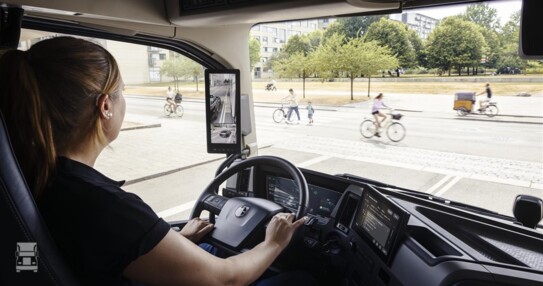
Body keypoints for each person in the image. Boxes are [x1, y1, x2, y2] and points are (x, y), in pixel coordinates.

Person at [0, 37, 308, 286]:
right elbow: (224, 279)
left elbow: (101, 249)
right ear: (105, 106)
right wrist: (275, 243)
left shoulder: (38, 176)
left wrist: (169, 240)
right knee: (301, 279)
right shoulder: (101, 204)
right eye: (121, 92)